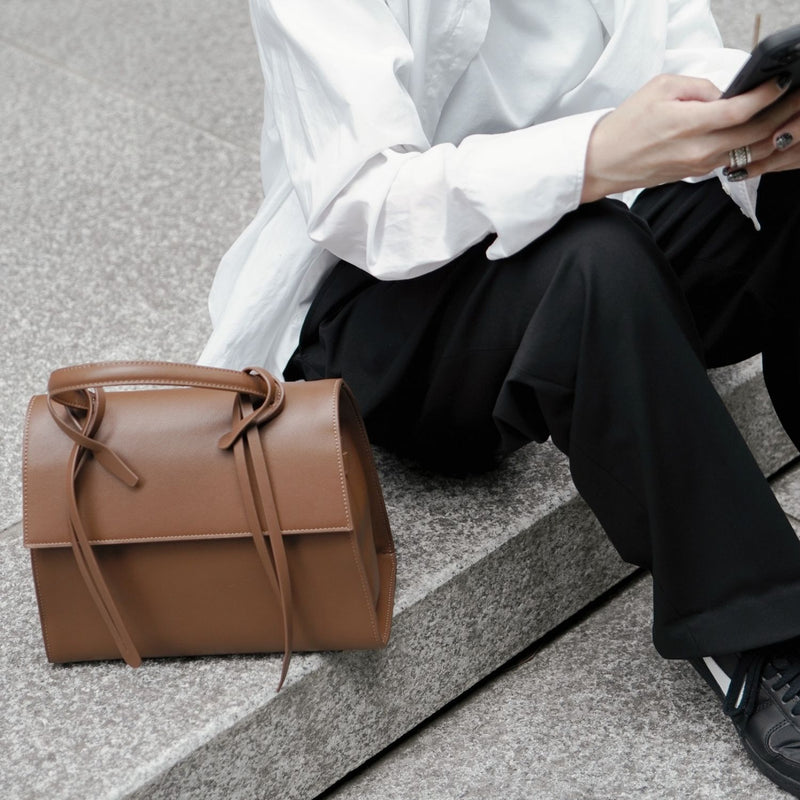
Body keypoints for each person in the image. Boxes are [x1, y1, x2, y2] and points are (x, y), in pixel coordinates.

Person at [200, 1, 800, 794]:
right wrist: (589, 154)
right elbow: (364, 202)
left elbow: (682, 60)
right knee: (594, 256)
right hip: (393, 314)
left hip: (609, 224)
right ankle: (756, 633)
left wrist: (761, 120)